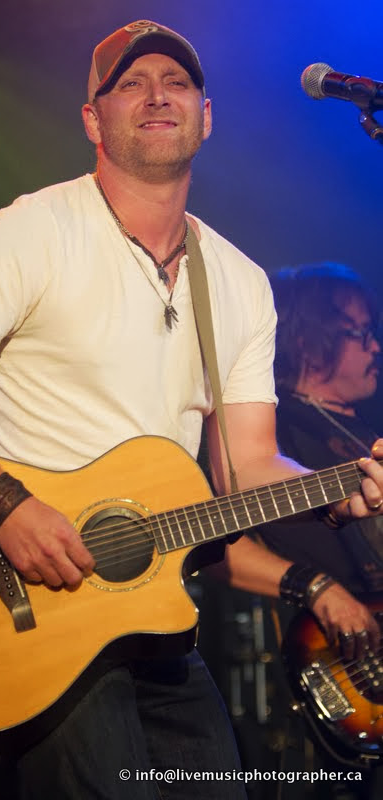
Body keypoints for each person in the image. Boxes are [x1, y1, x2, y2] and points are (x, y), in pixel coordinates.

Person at [0, 20, 383, 800]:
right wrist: (7, 506)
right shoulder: (35, 230)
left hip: (150, 621)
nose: (157, 96)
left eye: (176, 83)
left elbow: (248, 465)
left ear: (206, 117)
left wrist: (336, 490)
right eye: (131, 83)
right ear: (93, 119)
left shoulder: (239, 283)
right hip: (27, 606)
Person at [213, 263, 383, 798]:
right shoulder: (268, 430)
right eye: (360, 333)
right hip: (315, 670)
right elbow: (213, 545)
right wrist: (316, 587)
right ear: (309, 338)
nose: (376, 347)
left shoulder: (364, 430)